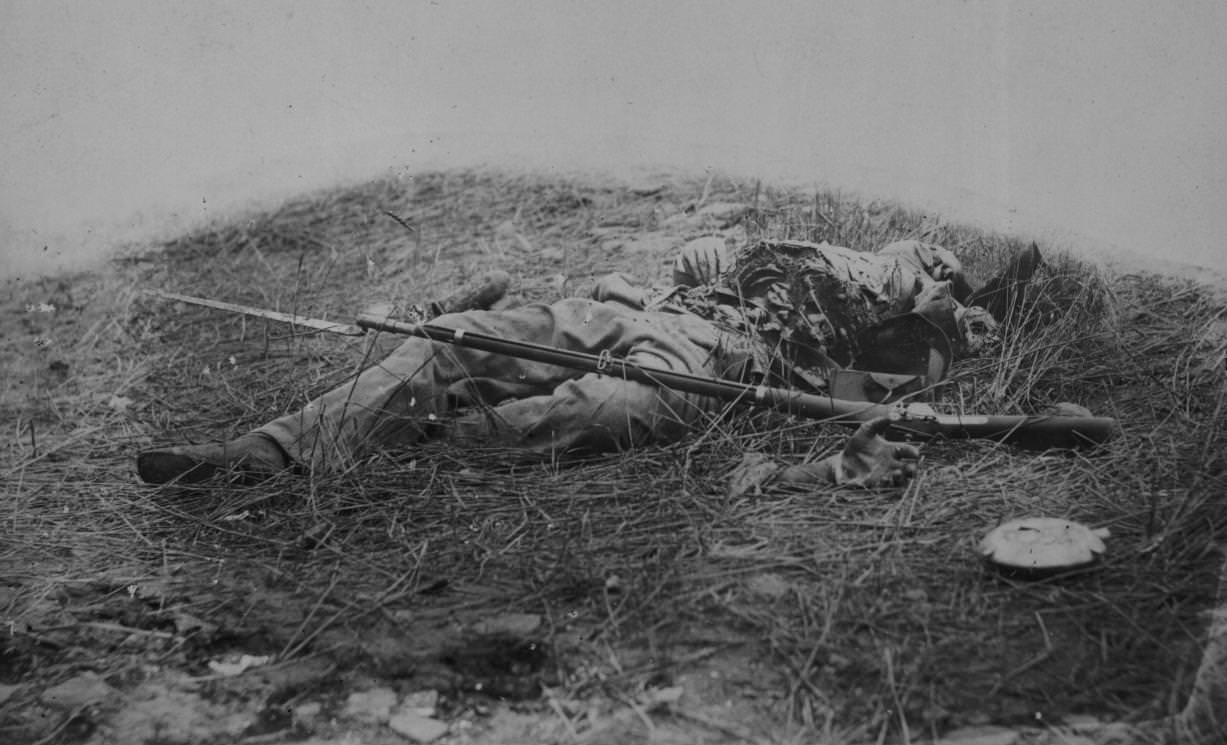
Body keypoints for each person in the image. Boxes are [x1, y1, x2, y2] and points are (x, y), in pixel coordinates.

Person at [136, 237, 1039, 489]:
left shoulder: (915, 325)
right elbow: (695, 257)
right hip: (648, 311)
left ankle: (410, 449)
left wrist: (945, 323)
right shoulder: (803, 247)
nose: (935, 270)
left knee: (588, 415)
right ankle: (269, 455)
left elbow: (871, 384)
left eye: (947, 275)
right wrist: (700, 261)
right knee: (454, 339)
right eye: (931, 262)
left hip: (720, 359)